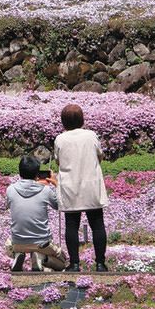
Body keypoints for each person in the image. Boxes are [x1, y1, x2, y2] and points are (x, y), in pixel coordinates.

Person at [53, 103, 109, 273]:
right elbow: (100, 156)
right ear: (82, 119)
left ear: (63, 122)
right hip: (91, 184)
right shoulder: (91, 136)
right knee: (97, 225)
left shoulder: (60, 139)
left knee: (71, 225)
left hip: (71, 185)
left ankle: (75, 264)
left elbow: (58, 161)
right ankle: (100, 264)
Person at [6, 154, 68, 272]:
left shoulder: (10, 189)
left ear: (20, 172)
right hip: (41, 243)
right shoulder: (45, 191)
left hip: (18, 242)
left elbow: (8, 204)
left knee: (10, 245)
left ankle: (18, 255)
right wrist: (56, 184)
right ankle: (42, 258)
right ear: (37, 173)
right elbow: (58, 205)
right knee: (63, 262)